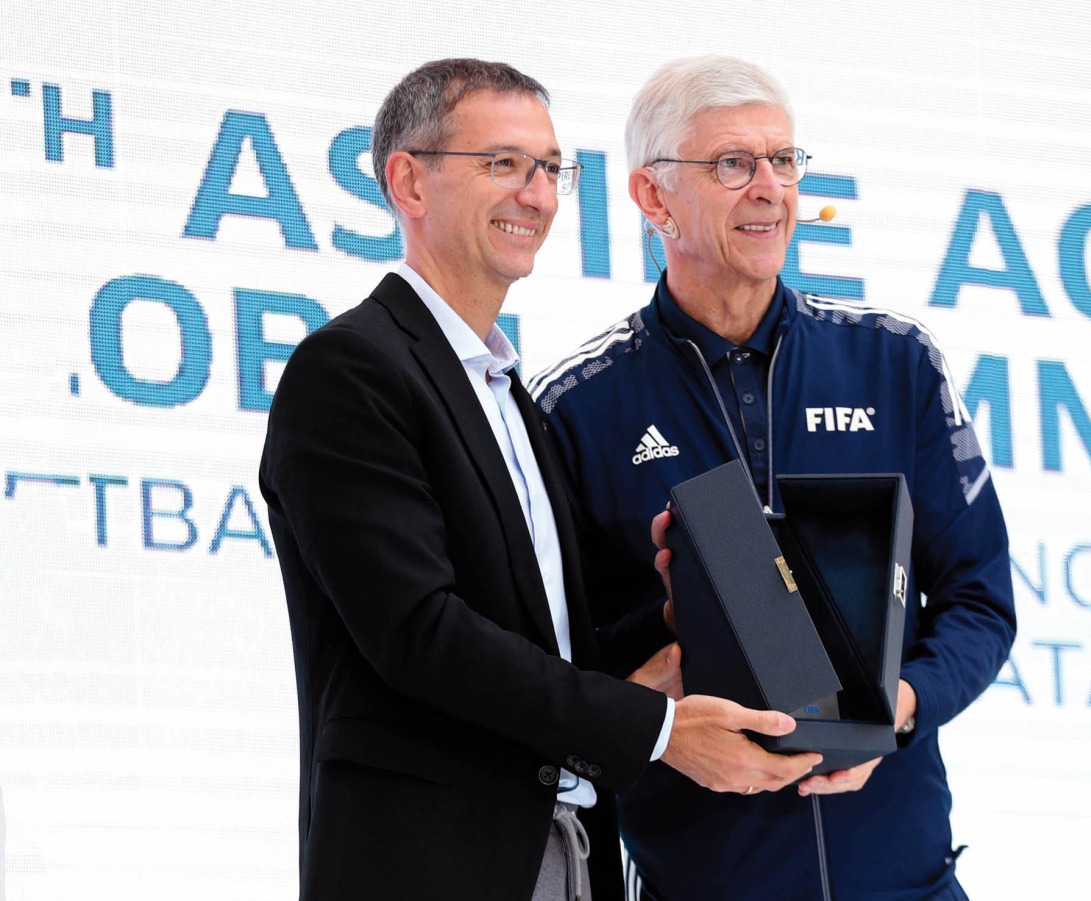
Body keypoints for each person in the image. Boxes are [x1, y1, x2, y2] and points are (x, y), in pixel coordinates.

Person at [259, 57, 823, 901]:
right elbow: (422, 634)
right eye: (501, 165)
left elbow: (549, 643)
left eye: (548, 169)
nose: (535, 194)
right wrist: (661, 728)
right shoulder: (351, 369)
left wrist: (692, 614)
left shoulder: (511, 395)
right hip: (431, 862)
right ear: (408, 182)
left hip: (565, 852)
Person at [530, 55, 1017, 901]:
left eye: (783, 160)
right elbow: (552, 671)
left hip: (909, 879)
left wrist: (895, 709)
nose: (768, 188)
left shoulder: (892, 359)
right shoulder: (577, 406)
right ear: (652, 198)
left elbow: (980, 600)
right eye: (731, 164)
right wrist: (674, 637)